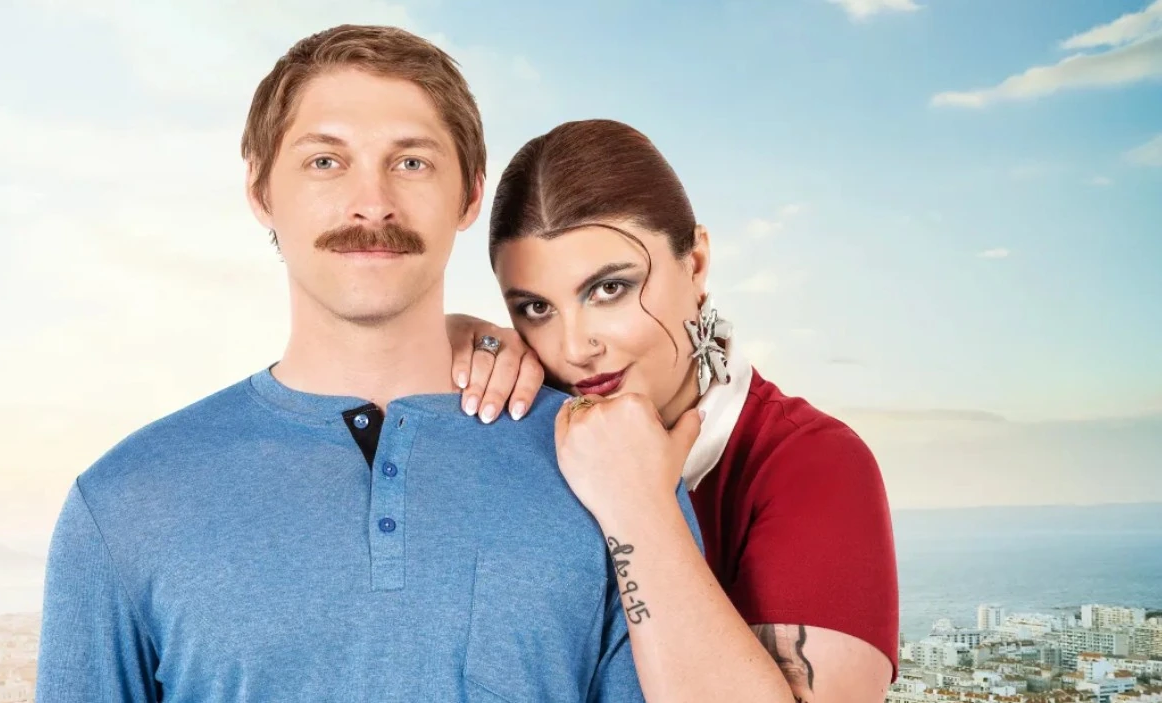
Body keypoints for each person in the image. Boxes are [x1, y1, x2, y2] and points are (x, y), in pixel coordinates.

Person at [34, 27, 703, 703]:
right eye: (325, 162)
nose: (372, 201)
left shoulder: (613, 470)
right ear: (261, 191)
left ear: (469, 196)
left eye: (411, 163)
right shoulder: (124, 500)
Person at [445, 118, 899, 702]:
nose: (576, 347)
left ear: (697, 264)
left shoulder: (811, 463)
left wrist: (638, 505)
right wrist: (437, 354)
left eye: (609, 289)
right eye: (536, 307)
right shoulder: (514, 431)